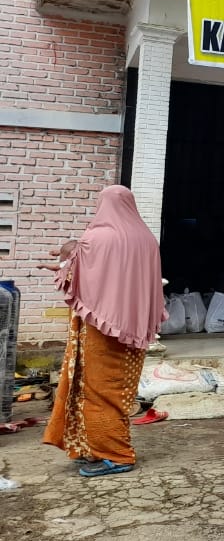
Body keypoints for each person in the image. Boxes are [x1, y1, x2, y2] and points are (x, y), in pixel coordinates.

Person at [40, 186, 166, 478]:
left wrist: (62, 262)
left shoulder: (95, 239)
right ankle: (97, 447)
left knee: (97, 390)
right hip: (135, 332)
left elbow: (73, 274)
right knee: (120, 391)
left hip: (102, 329)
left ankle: (117, 454)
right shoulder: (147, 239)